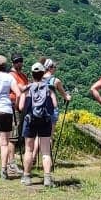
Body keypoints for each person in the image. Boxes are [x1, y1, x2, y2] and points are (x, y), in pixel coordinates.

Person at [20, 59, 65, 187]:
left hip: (30, 120)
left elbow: (21, 106)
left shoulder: (27, 88)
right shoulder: (49, 88)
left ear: (32, 74)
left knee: (29, 150)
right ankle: (47, 178)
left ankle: (27, 177)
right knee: (45, 151)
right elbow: (55, 105)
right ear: (43, 72)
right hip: (45, 121)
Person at [5, 53, 31, 178]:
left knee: (19, 135)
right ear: (13, 63)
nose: (19, 63)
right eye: (16, 61)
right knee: (13, 136)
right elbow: (21, 88)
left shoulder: (23, 75)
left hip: (23, 107)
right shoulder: (12, 75)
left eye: (20, 61)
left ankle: (13, 162)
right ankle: (11, 163)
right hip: (13, 106)